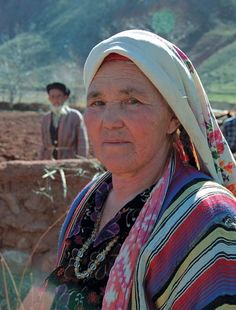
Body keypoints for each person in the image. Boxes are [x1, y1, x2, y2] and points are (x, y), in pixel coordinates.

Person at [25, 30, 235, 309]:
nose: (110, 121)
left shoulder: (208, 220)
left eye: (132, 101)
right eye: (97, 103)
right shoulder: (90, 198)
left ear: (174, 117)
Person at [39, 82, 89, 160]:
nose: (55, 100)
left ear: (65, 97)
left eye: (59, 96)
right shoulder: (46, 118)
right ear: (49, 99)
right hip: (49, 161)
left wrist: (81, 162)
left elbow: (82, 142)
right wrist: (40, 163)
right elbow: (43, 144)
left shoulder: (75, 116)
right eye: (52, 97)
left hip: (69, 161)